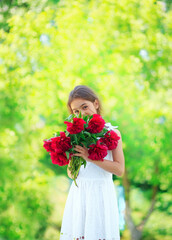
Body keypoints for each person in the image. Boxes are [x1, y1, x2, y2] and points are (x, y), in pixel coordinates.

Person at [60, 85, 125, 240]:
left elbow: (119, 169)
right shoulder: (76, 135)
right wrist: (73, 155)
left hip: (100, 193)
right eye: (76, 111)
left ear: (95, 104)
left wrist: (89, 156)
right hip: (80, 193)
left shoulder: (112, 133)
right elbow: (71, 174)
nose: (81, 113)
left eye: (84, 107)